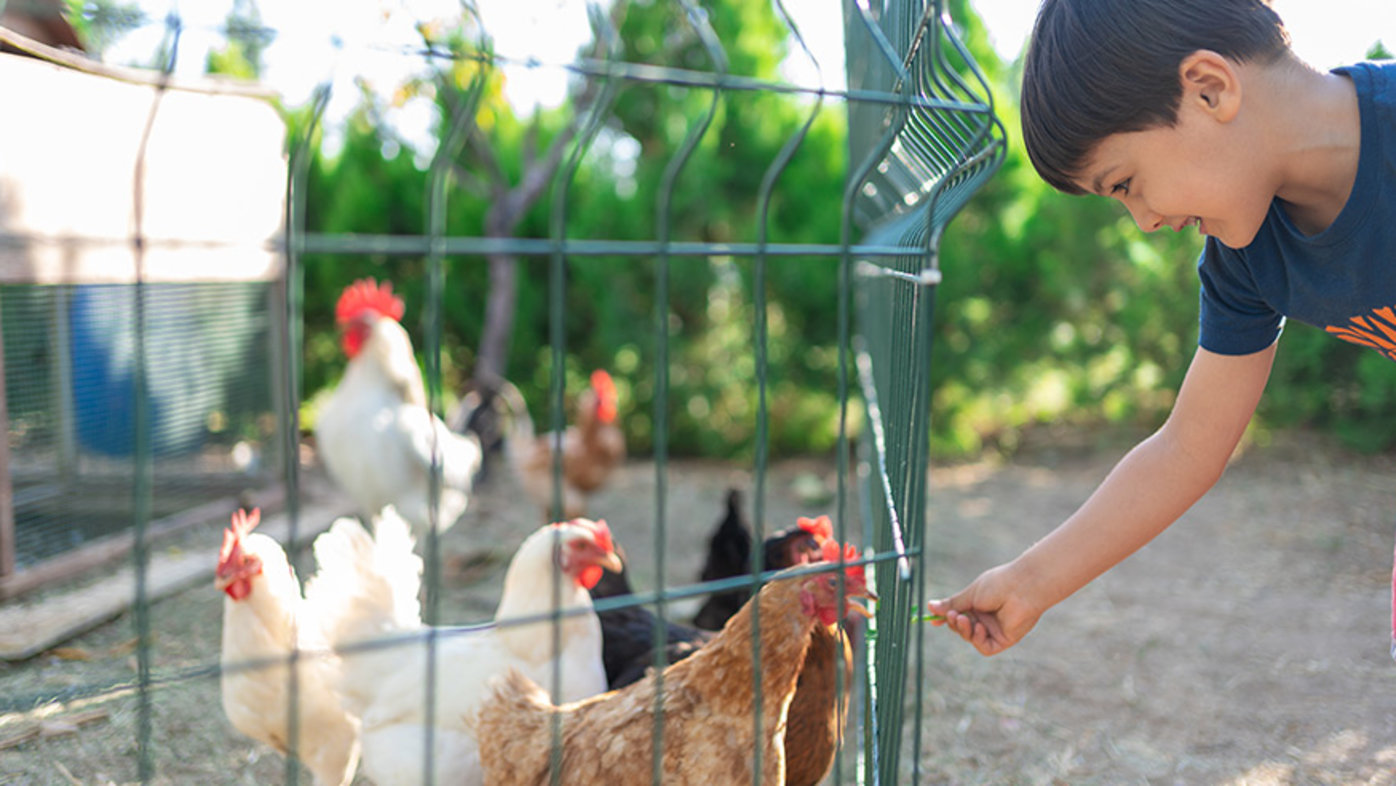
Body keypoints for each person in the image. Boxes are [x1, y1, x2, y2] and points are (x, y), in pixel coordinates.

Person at [926, 0, 1396, 657]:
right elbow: (1187, 447)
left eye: (1127, 184)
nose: (1144, 222)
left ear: (1210, 88)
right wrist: (1030, 582)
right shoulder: (1247, 261)